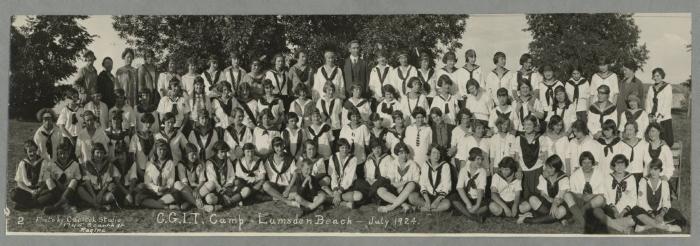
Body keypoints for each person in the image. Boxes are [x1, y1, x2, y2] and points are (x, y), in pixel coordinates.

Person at [630, 159, 686, 232]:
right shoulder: (643, 181)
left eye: (655, 169)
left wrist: (661, 215)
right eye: (651, 169)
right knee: (636, 210)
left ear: (660, 170)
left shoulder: (664, 183)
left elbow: (667, 202)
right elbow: (641, 202)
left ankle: (644, 227)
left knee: (677, 215)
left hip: (659, 211)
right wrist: (653, 216)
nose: (652, 172)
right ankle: (664, 227)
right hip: (646, 211)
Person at [590, 154, 637, 233]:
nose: (619, 167)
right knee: (596, 211)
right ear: (613, 166)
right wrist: (614, 210)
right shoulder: (608, 178)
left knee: (633, 219)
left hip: (626, 210)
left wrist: (623, 212)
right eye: (617, 164)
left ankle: (606, 224)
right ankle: (622, 228)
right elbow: (606, 196)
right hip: (611, 209)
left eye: (622, 164)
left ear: (626, 165)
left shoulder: (631, 178)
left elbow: (633, 198)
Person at [517, 155, 570, 224]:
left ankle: (526, 219)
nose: (548, 170)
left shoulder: (563, 177)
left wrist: (554, 204)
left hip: (559, 203)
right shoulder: (544, 176)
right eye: (547, 167)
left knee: (561, 211)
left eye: (551, 168)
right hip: (546, 203)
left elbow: (561, 196)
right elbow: (542, 193)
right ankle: (558, 219)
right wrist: (549, 199)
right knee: (532, 199)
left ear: (557, 168)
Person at [563, 151, 607, 227]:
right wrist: (581, 196)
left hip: (593, 202)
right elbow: (573, 192)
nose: (587, 165)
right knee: (566, 195)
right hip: (580, 201)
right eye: (584, 163)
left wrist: (592, 195)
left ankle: (574, 218)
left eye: (589, 162)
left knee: (600, 199)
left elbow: (603, 193)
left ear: (592, 163)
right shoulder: (575, 175)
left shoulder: (599, 174)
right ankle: (583, 222)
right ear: (581, 163)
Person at [376, 143, 420, 213]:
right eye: (401, 153)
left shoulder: (413, 164)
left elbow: (416, 182)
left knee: (411, 184)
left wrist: (405, 184)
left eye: (405, 153)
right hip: (395, 191)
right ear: (397, 153)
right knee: (380, 190)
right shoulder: (393, 164)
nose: (404, 155)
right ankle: (404, 205)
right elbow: (392, 183)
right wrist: (405, 182)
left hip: (408, 192)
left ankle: (391, 207)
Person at [10, 140, 54, 210]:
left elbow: (46, 180)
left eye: (34, 150)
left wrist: (39, 190)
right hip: (27, 190)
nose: (32, 153)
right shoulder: (22, 163)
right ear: (26, 152)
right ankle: (35, 204)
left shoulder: (43, 162)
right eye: (30, 151)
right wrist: (31, 191)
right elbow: (19, 182)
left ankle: (27, 205)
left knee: (51, 194)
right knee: (14, 194)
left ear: (37, 150)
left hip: (39, 190)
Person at [137, 140, 180, 210]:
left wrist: (166, 187)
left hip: (166, 192)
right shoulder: (150, 164)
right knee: (140, 197)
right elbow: (147, 183)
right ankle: (166, 206)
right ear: (155, 150)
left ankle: (154, 204)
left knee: (177, 194)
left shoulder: (170, 163)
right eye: (160, 149)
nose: (162, 152)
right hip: (153, 192)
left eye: (164, 150)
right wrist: (157, 189)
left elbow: (171, 180)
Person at [450, 147, 489, 223]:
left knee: (487, 206)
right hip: (467, 198)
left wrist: (477, 205)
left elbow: (480, 190)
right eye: (478, 159)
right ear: (472, 158)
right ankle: (474, 217)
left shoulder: (482, 171)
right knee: (453, 198)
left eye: (481, 159)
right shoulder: (464, 170)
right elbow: (459, 188)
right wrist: (468, 203)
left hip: (478, 199)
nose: (480, 161)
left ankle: (465, 213)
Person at [41, 142, 81, 214]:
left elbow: (78, 179)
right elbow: (48, 181)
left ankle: (56, 207)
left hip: (70, 192)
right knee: (48, 180)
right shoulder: (52, 165)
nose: (62, 156)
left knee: (74, 181)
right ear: (57, 154)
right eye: (60, 153)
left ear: (68, 153)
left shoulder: (75, 164)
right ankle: (65, 205)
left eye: (65, 153)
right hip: (56, 191)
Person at [327, 139, 369, 209]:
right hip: (336, 186)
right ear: (338, 148)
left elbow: (349, 178)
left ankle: (332, 199)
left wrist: (339, 192)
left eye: (346, 147)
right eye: (342, 148)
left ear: (349, 149)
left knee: (359, 196)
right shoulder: (332, 157)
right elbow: (333, 175)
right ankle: (344, 204)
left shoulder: (353, 158)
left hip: (349, 185)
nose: (344, 150)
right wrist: (335, 190)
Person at [78, 143, 120, 211]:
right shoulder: (87, 164)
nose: (99, 155)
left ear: (104, 154)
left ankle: (91, 204)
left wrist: (100, 194)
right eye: (97, 153)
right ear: (93, 154)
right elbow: (87, 182)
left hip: (102, 191)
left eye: (102, 153)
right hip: (91, 191)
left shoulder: (108, 164)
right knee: (80, 189)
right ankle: (98, 205)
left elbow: (107, 182)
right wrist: (94, 196)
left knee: (111, 196)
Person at [513, 115, 545, 199]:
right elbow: (516, 157)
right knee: (525, 197)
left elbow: (544, 156)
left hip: (537, 170)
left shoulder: (541, 138)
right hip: (524, 171)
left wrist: (545, 170)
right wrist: (518, 169)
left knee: (539, 196)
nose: (527, 127)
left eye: (530, 124)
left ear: (534, 125)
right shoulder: (518, 138)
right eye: (525, 124)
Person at [411, 145, 452, 212]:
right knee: (412, 197)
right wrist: (427, 200)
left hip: (439, 196)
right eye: (434, 153)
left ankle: (421, 209)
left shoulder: (445, 165)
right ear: (429, 154)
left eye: (438, 153)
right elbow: (422, 183)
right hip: (427, 195)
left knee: (447, 204)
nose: (436, 155)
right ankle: (431, 207)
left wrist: (437, 201)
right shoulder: (425, 165)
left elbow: (446, 187)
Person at [262, 137, 298, 205]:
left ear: (283, 145)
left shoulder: (289, 158)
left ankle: (276, 197)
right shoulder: (269, 159)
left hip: (286, 187)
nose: (280, 148)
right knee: (265, 185)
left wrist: (288, 189)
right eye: (277, 146)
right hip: (274, 187)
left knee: (297, 193)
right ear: (273, 147)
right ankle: (287, 201)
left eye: (281, 145)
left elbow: (295, 173)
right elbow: (262, 172)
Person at [173, 143, 207, 211]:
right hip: (187, 189)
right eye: (192, 155)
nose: (195, 157)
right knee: (177, 184)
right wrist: (193, 191)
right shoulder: (181, 164)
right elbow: (185, 183)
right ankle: (197, 204)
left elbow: (202, 180)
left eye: (195, 154)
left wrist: (196, 189)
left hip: (198, 189)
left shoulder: (199, 164)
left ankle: (189, 201)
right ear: (186, 155)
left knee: (211, 184)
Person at [645, 68, 674, 147]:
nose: (656, 78)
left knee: (667, 141)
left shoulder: (667, 87)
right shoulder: (651, 88)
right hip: (653, 117)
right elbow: (648, 102)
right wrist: (649, 115)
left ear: (662, 76)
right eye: (654, 76)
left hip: (664, 117)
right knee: (652, 139)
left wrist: (659, 115)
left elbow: (667, 103)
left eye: (658, 76)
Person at [231, 143, 266, 207]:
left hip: (255, 183)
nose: (250, 154)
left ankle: (243, 199)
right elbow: (239, 176)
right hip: (243, 183)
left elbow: (263, 175)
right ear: (244, 152)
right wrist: (249, 179)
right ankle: (248, 197)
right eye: (248, 152)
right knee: (237, 182)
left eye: (252, 151)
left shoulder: (258, 160)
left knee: (261, 183)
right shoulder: (239, 162)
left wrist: (255, 179)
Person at [129, 113, 156, 183]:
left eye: (150, 123)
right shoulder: (135, 137)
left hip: (150, 170)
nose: (148, 125)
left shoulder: (153, 137)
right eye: (146, 122)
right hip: (138, 169)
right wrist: (138, 169)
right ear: (143, 122)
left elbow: (153, 155)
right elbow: (132, 156)